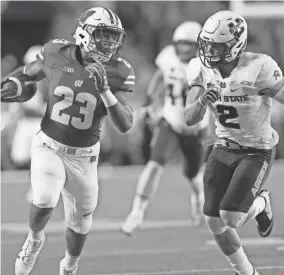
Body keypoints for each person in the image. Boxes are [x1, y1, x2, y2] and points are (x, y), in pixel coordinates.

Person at [1, 7, 135, 275]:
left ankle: (69, 266)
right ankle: (34, 239)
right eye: (103, 35)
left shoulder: (118, 70)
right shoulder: (55, 52)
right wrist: (15, 83)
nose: (110, 43)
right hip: (48, 145)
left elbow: (125, 124)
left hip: (85, 156)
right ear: (85, 34)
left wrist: (106, 90)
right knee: (44, 200)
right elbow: (28, 73)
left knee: (80, 222)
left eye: (113, 37)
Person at [184, 10, 284, 275]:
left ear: (235, 45)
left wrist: (262, 91)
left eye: (216, 46)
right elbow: (188, 118)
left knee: (231, 217)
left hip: (256, 150)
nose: (209, 51)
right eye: (207, 44)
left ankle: (260, 203)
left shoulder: (259, 66)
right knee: (213, 221)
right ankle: (248, 273)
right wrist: (203, 100)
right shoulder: (200, 69)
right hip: (223, 145)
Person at [121, 21, 209, 236]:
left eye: (189, 44)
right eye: (181, 44)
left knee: (193, 174)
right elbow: (160, 76)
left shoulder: (205, 65)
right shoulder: (168, 56)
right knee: (153, 164)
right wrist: (149, 101)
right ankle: (137, 212)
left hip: (195, 128)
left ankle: (198, 198)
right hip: (169, 121)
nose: (184, 49)